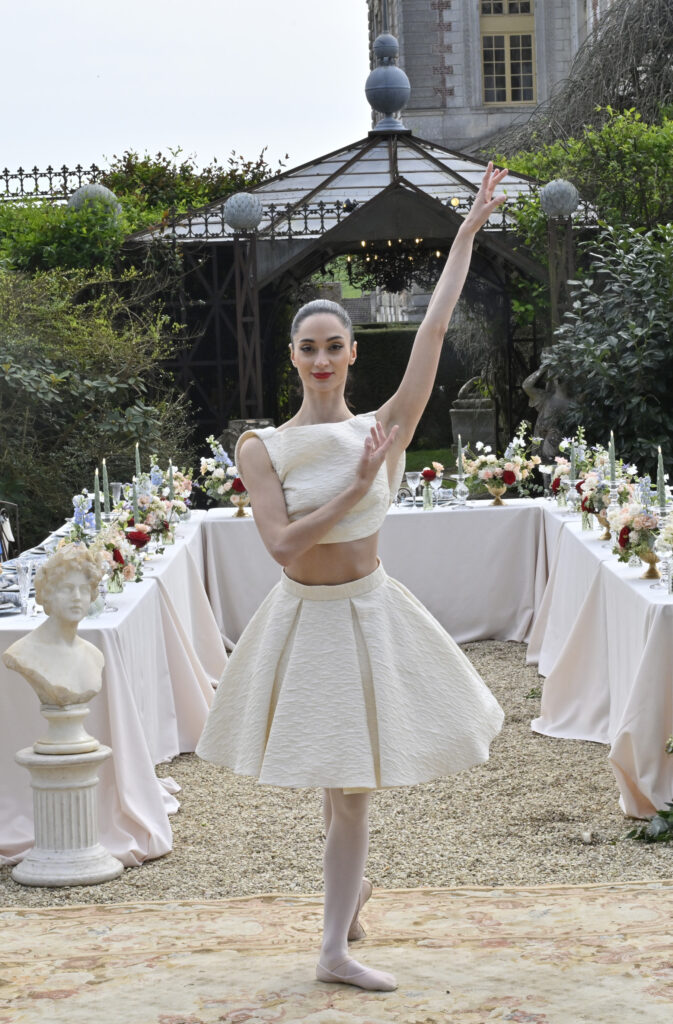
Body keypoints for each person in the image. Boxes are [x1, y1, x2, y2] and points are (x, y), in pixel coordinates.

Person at [196, 163, 508, 992]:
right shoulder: (262, 446)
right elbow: (282, 547)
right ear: (292, 357)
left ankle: (335, 937)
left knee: (353, 790)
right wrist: (358, 487)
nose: (323, 358)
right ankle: (340, 930)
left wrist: (469, 230)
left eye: (335, 346)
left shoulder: (385, 427)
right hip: (305, 617)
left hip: (370, 614)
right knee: (340, 786)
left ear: (352, 352)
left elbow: (435, 333)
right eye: (310, 348)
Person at [3, 544, 104, 707]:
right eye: (67, 589)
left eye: (84, 589)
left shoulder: (95, 656)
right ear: (48, 593)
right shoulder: (22, 653)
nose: (77, 597)